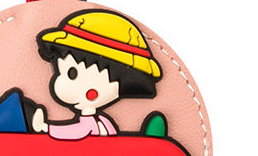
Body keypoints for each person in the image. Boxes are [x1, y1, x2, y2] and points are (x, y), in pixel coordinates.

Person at [32, 10, 161, 140]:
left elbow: (76, 132)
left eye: (72, 74)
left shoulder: (91, 122)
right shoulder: (103, 121)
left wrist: (45, 127)